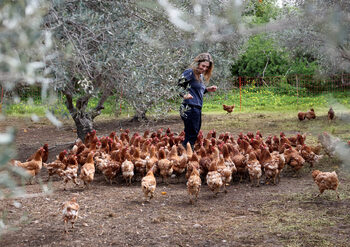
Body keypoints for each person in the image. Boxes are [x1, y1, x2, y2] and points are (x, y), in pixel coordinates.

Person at [178, 53, 217, 150]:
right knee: (192, 133)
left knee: (193, 132)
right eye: (203, 66)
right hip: (189, 107)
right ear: (198, 63)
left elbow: (197, 91)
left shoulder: (200, 76)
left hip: (196, 107)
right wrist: (184, 94)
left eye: (207, 67)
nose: (204, 69)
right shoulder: (189, 72)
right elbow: (178, 86)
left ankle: (185, 152)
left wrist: (207, 89)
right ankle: (186, 152)